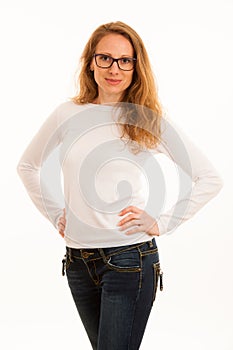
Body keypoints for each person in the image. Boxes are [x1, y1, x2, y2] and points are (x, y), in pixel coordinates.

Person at [17, 21, 223, 350]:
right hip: (77, 263)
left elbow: (209, 178)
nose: (115, 68)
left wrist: (162, 222)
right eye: (106, 58)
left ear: (136, 66)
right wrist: (57, 214)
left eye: (125, 60)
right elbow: (27, 166)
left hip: (129, 260)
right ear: (90, 62)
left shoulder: (146, 118)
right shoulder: (67, 113)